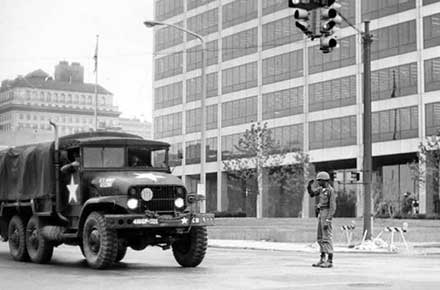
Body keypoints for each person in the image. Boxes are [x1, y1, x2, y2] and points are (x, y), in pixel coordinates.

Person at [307, 171, 337, 268]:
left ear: (325, 181)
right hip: (321, 213)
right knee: (320, 237)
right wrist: (309, 186)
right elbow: (312, 194)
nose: (318, 182)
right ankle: (322, 258)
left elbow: (332, 207)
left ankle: (330, 260)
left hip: (326, 213)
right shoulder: (321, 189)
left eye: (320, 180)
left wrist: (328, 220)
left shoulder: (330, 191)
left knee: (327, 237)